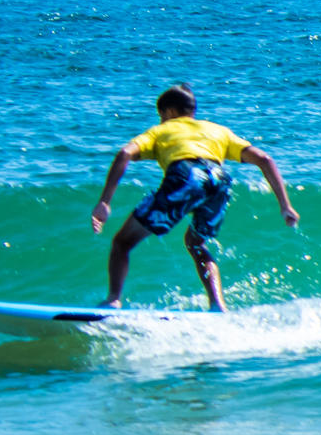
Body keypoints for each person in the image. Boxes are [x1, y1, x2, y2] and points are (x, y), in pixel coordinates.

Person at [90, 84, 299, 311]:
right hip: (220, 180)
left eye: (161, 115)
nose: (161, 120)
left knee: (122, 243)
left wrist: (104, 202)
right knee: (196, 243)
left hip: (186, 175)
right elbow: (265, 159)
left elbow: (124, 154)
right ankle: (217, 305)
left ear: (168, 112)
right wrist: (285, 205)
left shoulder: (161, 131)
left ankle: (113, 300)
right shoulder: (218, 130)